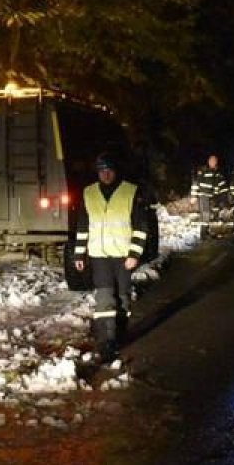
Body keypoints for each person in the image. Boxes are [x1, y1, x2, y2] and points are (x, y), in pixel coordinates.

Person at [72, 152, 152, 363]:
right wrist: (79, 252)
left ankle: (119, 332)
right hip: (99, 256)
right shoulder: (89, 193)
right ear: (97, 172)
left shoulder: (130, 191)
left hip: (123, 255)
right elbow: (82, 225)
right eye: (102, 170)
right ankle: (106, 341)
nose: (105, 174)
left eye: (109, 170)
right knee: (104, 297)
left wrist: (135, 254)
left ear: (115, 171)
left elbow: (141, 226)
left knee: (122, 297)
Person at [190, 154, 227, 227]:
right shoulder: (203, 170)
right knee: (205, 213)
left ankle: (207, 229)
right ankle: (204, 233)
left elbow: (222, 185)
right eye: (212, 161)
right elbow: (195, 183)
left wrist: (224, 197)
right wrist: (193, 196)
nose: (213, 162)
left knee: (212, 212)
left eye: (215, 161)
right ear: (209, 161)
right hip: (203, 195)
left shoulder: (217, 172)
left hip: (213, 196)